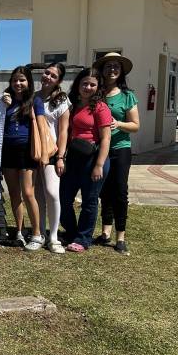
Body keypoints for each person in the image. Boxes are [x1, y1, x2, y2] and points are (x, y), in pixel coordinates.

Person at [59, 67, 112, 252]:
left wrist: (99, 165)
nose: (88, 87)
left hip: (94, 158)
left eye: (92, 84)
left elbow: (106, 138)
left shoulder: (100, 107)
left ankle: (83, 238)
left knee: (89, 201)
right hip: (74, 157)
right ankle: (72, 231)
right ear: (78, 84)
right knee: (64, 198)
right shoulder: (72, 104)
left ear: (98, 87)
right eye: (85, 83)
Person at [95, 52, 140, 254]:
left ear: (121, 71)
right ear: (102, 70)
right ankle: (105, 232)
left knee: (120, 191)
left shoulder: (127, 96)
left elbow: (135, 125)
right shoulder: (97, 93)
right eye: (108, 66)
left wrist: (118, 123)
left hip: (120, 148)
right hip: (100, 149)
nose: (112, 69)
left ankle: (120, 236)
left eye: (116, 66)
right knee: (104, 191)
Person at [1, 66, 47, 252]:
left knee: (28, 193)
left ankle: (37, 234)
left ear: (29, 82)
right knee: (14, 194)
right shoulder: (5, 100)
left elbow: (42, 128)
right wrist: (2, 105)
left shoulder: (35, 101)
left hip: (27, 151)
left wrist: (44, 154)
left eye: (22, 80)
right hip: (7, 151)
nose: (18, 83)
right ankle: (19, 232)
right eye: (15, 80)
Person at [34, 63, 71, 254]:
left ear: (59, 81)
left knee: (52, 193)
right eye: (47, 73)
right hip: (33, 152)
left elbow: (64, 131)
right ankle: (40, 233)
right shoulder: (34, 97)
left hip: (51, 153)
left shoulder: (61, 100)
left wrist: (60, 157)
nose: (48, 77)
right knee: (38, 195)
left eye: (53, 76)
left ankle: (54, 236)